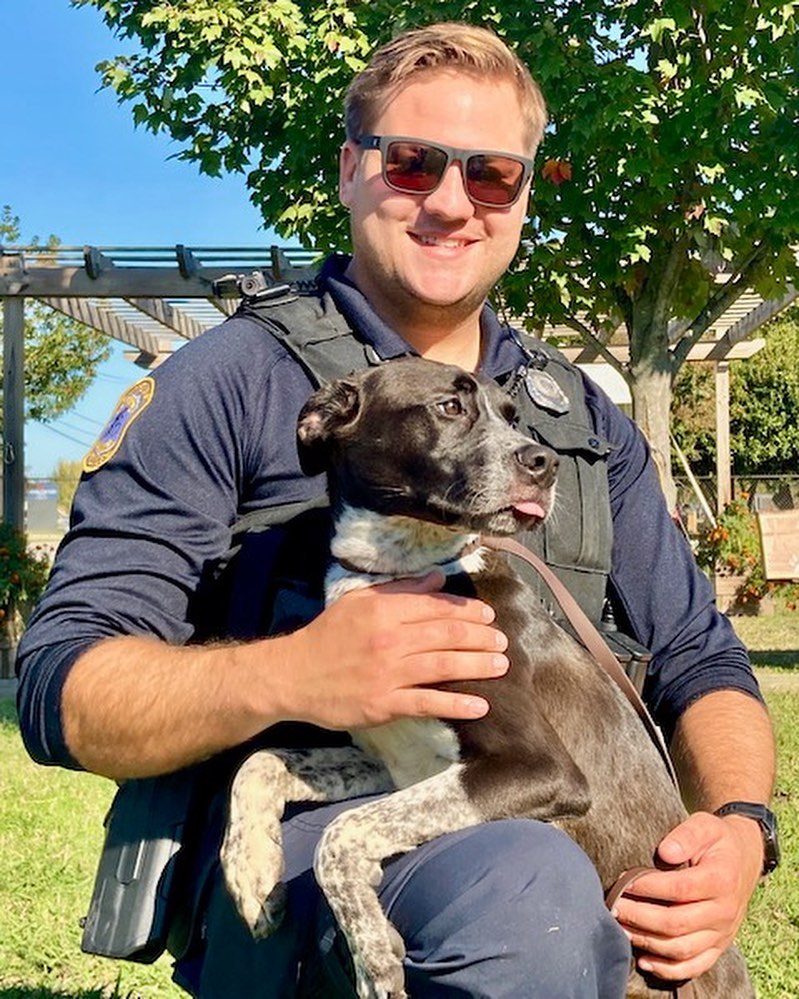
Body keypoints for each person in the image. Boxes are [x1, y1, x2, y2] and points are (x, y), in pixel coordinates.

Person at [17, 21, 776, 999]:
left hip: (581, 848)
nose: (452, 203)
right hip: (337, 854)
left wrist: (737, 829)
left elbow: (698, 658)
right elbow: (58, 684)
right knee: (522, 884)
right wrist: (290, 675)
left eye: (492, 176)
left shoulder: (577, 421)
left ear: (520, 198)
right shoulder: (230, 382)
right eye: (412, 164)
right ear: (349, 169)